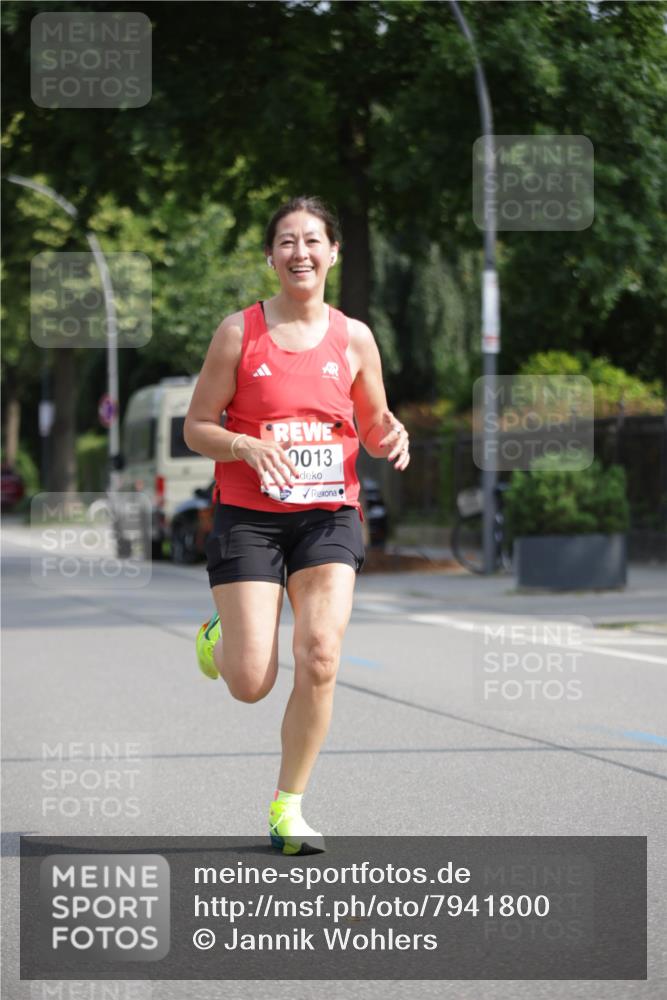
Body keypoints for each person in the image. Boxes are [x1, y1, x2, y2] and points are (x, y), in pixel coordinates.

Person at [184, 195, 410, 855]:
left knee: (319, 656)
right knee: (251, 682)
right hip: (249, 517)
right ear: (269, 255)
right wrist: (242, 445)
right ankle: (220, 635)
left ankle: (288, 807)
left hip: (328, 516)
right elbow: (197, 426)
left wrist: (388, 432)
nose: (300, 253)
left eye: (313, 241)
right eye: (286, 241)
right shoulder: (239, 333)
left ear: (333, 253)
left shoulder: (354, 337)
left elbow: (370, 425)